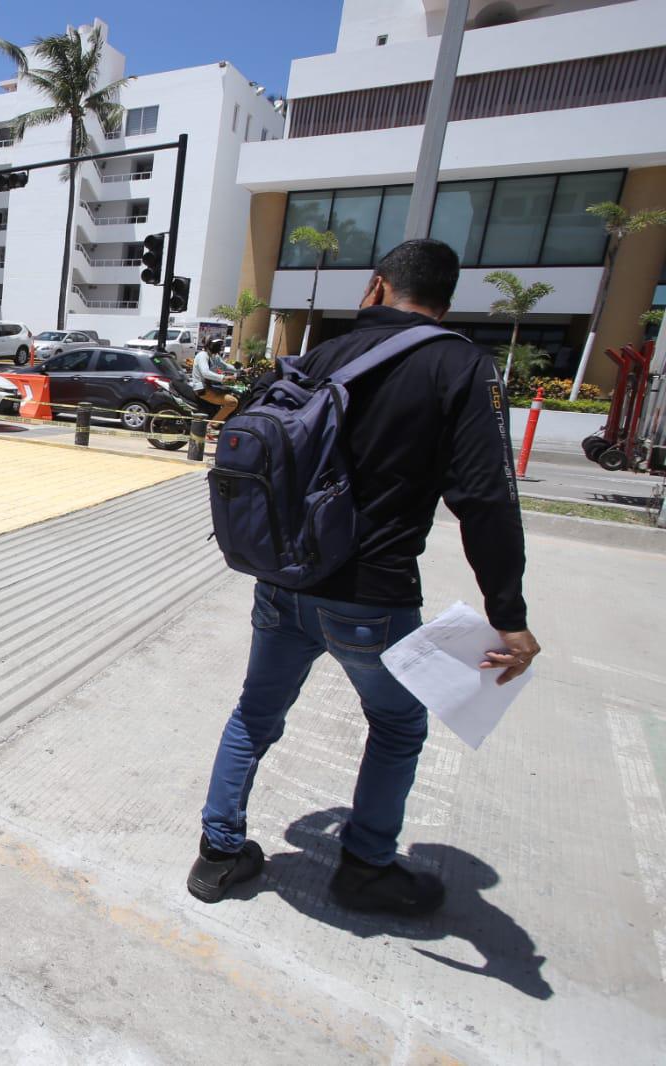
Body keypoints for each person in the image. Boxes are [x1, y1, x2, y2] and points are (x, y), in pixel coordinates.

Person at [188, 239, 541, 915]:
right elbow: (485, 498)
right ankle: (367, 867)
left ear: (377, 287)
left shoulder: (322, 357)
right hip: (370, 596)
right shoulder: (459, 364)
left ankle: (218, 855)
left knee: (255, 716)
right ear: (446, 298)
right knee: (398, 725)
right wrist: (509, 611)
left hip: (283, 580)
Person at [190, 338, 240, 422]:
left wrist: (240, 370)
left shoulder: (214, 356)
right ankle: (212, 425)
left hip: (210, 386)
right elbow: (205, 372)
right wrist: (223, 378)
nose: (219, 347)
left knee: (229, 390)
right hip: (202, 389)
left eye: (219, 345)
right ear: (209, 346)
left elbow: (224, 366)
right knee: (232, 402)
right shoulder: (203, 355)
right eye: (216, 345)